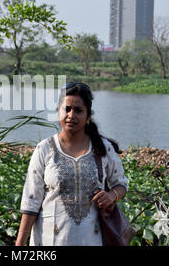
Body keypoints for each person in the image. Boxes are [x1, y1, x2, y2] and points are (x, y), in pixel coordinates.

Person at [15, 82, 129, 246]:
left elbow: (121, 183)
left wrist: (111, 196)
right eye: (66, 109)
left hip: (91, 240)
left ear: (88, 116)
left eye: (78, 110)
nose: (71, 115)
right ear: (58, 112)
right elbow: (30, 203)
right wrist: (19, 245)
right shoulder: (44, 149)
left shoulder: (102, 148)